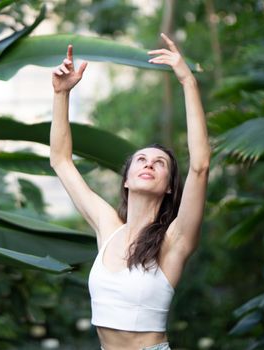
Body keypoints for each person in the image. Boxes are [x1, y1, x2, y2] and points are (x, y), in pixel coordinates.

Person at [49, 33, 210, 350]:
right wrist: (61, 94)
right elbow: (60, 161)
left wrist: (188, 82)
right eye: (141, 159)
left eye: (160, 163)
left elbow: (201, 165)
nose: (149, 164)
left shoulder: (173, 241)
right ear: (126, 179)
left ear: (167, 188)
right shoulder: (107, 227)